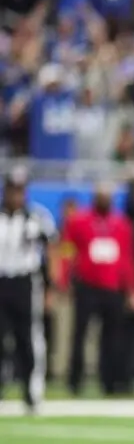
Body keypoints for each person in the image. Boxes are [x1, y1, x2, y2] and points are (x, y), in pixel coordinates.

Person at [64, 181, 134, 396]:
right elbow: (67, 250)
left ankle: (109, 381)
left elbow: (128, 259)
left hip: (113, 288)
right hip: (87, 286)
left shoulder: (121, 224)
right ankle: (75, 380)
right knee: (80, 334)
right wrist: (64, 279)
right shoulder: (79, 221)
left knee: (112, 337)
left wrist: (133, 289)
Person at [0, 166, 55, 412]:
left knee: (28, 338)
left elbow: (51, 250)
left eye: (20, 191)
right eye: (12, 190)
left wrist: (50, 286)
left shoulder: (37, 218)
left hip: (25, 281)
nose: (16, 196)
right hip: (1, 279)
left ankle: (31, 390)